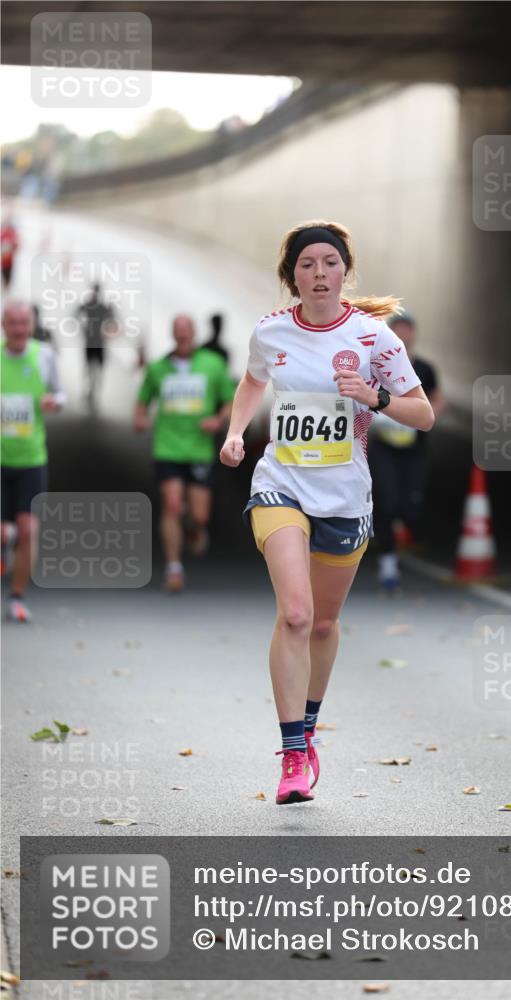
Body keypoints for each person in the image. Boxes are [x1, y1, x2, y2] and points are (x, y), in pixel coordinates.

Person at [219, 221, 434, 805]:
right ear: (292, 275)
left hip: (344, 496)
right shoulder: (271, 331)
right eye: (307, 264)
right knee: (295, 613)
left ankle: (309, 730)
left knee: (321, 624)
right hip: (281, 484)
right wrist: (236, 432)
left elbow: (423, 414)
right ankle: (292, 755)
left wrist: (373, 397)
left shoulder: (373, 338)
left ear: (345, 271)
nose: (319, 274)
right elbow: (251, 382)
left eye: (330, 263)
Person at [134, 315, 236, 592]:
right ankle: (174, 568)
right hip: (167, 447)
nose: (182, 336)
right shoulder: (158, 368)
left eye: (186, 331)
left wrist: (218, 420)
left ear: (193, 333)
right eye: (177, 332)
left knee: (200, 515)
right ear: (173, 334)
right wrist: (140, 418)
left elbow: (231, 400)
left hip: (199, 449)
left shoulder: (213, 365)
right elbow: (143, 400)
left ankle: (193, 525)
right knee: (171, 505)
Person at [368, 310, 446, 591]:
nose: (402, 333)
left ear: (413, 333)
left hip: (414, 449)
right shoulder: (374, 366)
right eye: (397, 328)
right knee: (387, 502)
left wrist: (425, 417)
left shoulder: (424, 368)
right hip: (383, 447)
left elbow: (437, 399)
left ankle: (401, 524)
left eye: (406, 328)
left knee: (410, 508)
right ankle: (388, 562)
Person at [1, 302, 66, 622]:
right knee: (4, 533)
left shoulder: (44, 356)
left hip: (31, 459)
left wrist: (54, 401)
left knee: (28, 530)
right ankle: (6, 541)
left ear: (31, 325)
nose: (18, 329)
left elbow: (62, 394)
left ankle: (16, 597)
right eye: (12, 323)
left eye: (23, 323)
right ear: (3, 325)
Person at [73, 283, 118, 407]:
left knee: (91, 368)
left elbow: (75, 314)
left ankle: (91, 391)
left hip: (94, 341)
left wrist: (82, 328)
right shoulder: (101, 306)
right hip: (96, 342)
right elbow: (113, 320)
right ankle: (91, 391)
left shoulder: (92, 305)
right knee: (94, 368)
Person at [1, 218, 19, 289]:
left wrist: (12, 248)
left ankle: (7, 283)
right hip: (4, 259)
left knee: (8, 271)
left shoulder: (12, 234)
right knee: (4, 271)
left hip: (9, 259)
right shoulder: (3, 234)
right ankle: (6, 283)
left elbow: (16, 245)